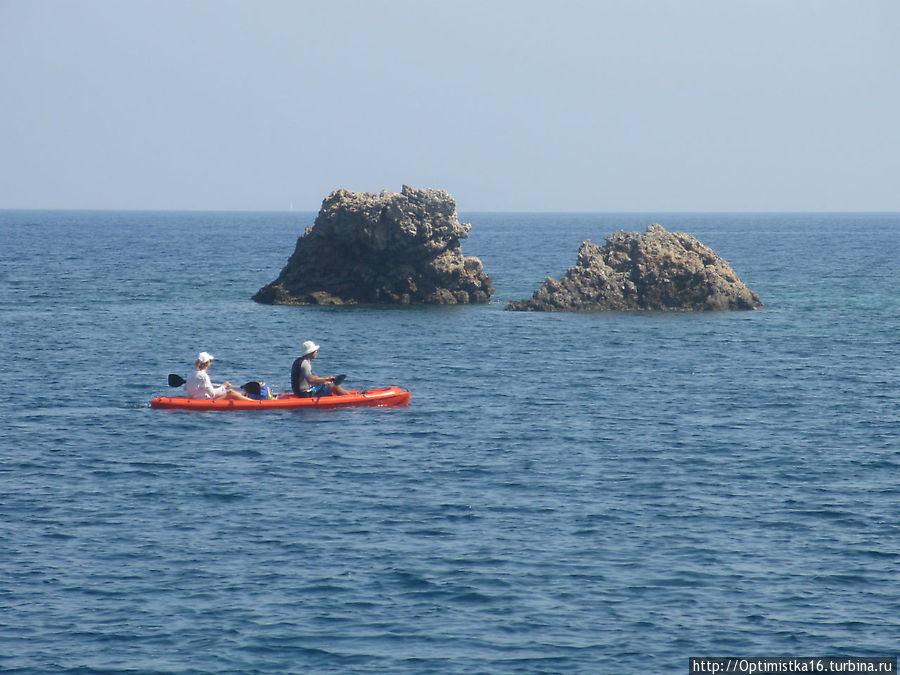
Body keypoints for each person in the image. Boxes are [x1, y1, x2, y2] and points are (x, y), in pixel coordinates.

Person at [185, 352, 253, 401]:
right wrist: (224, 386)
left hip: (196, 397)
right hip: (205, 401)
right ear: (207, 363)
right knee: (230, 393)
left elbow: (186, 388)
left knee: (229, 391)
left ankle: (242, 395)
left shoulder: (191, 374)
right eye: (210, 361)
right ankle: (254, 403)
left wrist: (223, 389)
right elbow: (212, 394)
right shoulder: (204, 376)